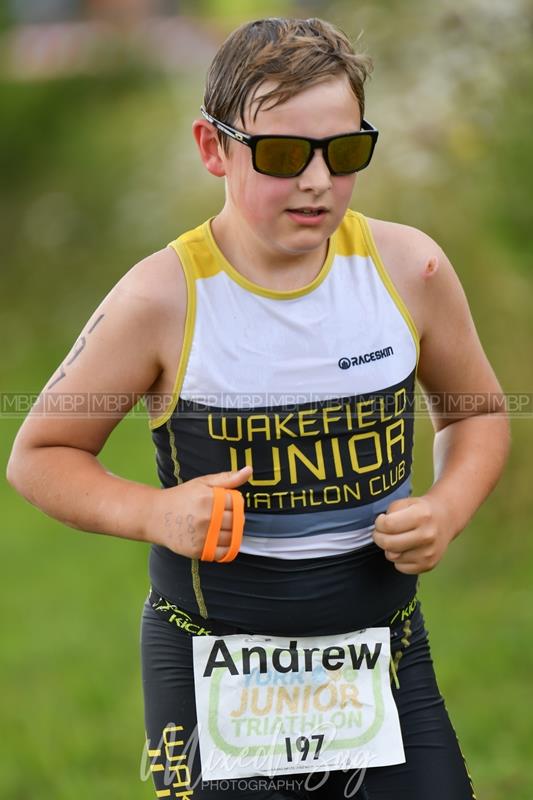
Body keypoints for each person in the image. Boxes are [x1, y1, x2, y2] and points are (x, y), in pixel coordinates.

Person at [7, 16, 509, 800]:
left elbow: (476, 412)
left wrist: (446, 507)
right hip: (211, 667)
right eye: (280, 155)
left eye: (344, 153)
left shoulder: (411, 268)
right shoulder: (158, 297)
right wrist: (152, 512)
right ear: (213, 149)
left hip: (381, 654)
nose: (316, 181)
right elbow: (38, 455)